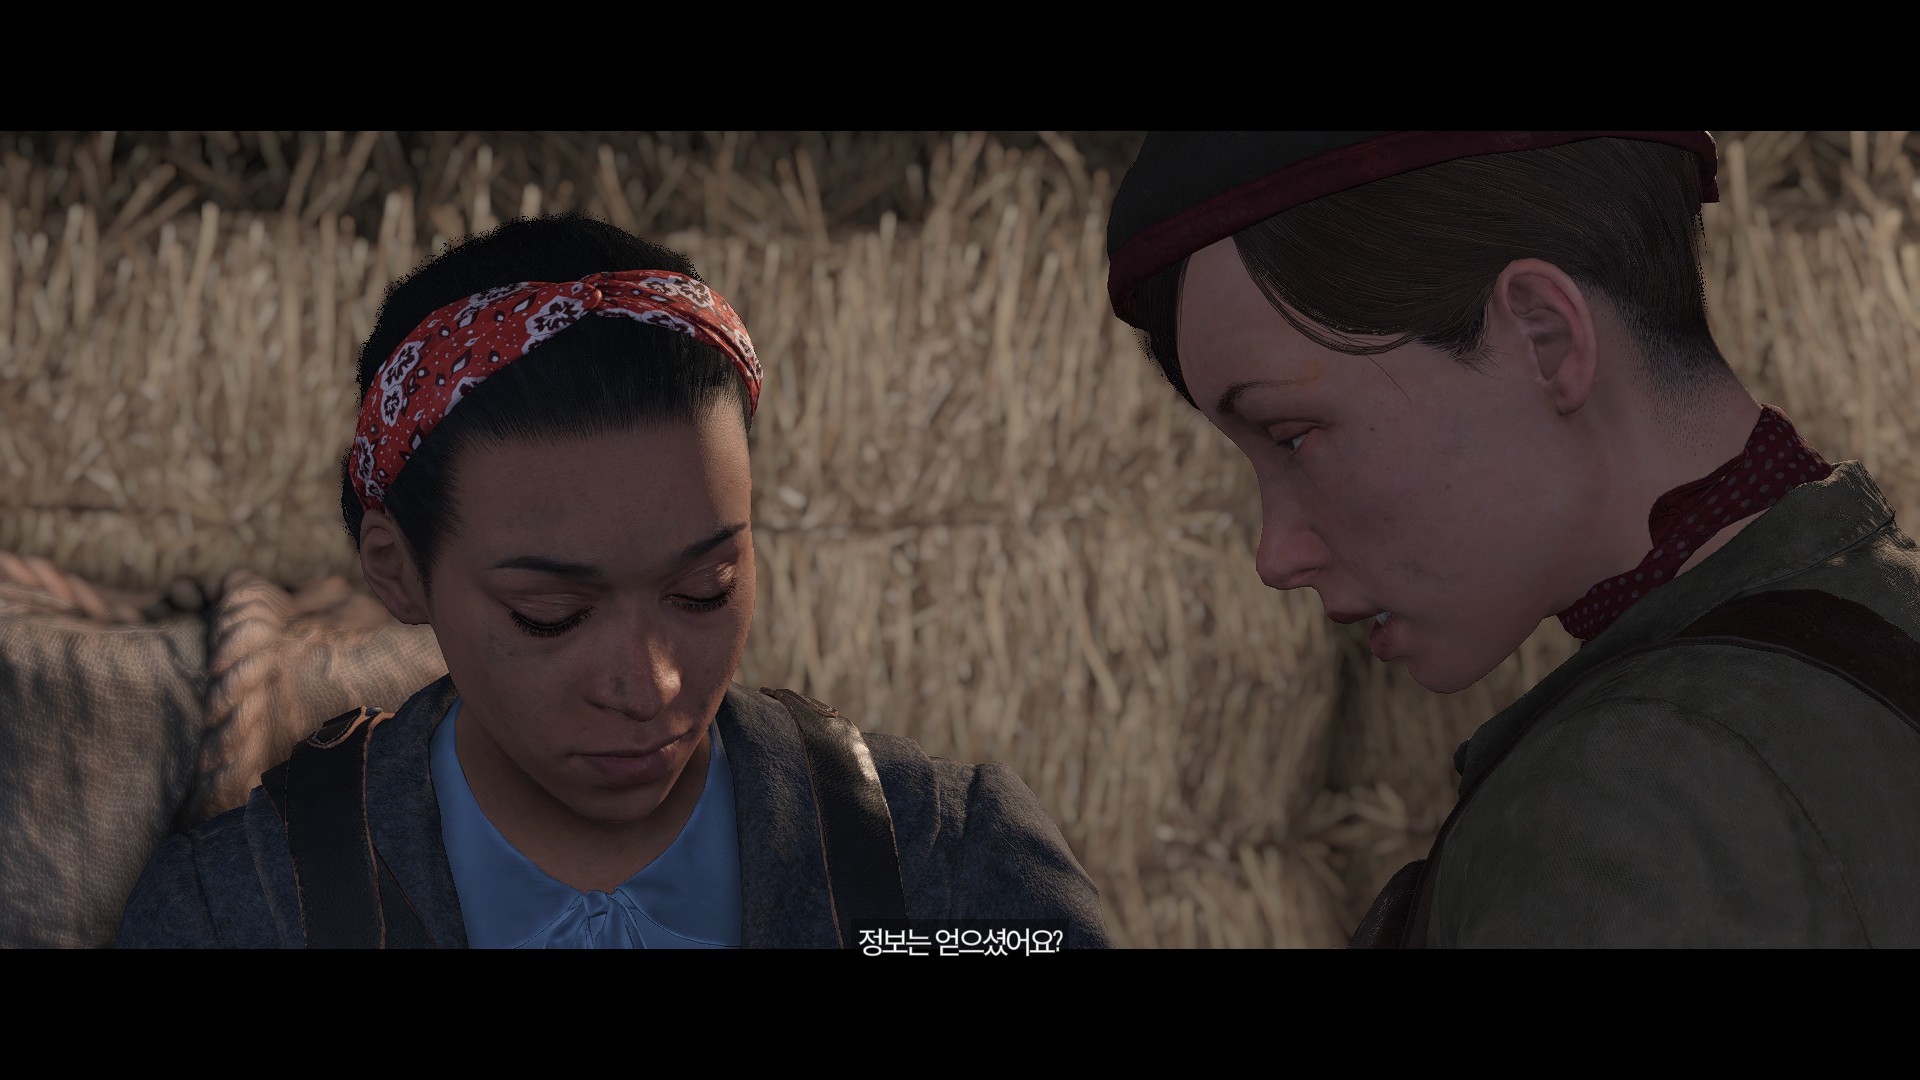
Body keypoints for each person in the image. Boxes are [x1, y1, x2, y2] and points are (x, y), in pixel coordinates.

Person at [120, 213, 1109, 949]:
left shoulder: (951, 872)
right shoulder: (239, 913)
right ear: (399, 571)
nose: (650, 685)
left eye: (705, 589)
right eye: (551, 615)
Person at [1107, 131, 1920, 947]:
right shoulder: (1875, 615)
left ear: (1544, 336)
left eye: (1291, 437)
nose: (1276, 555)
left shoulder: (1635, 803)